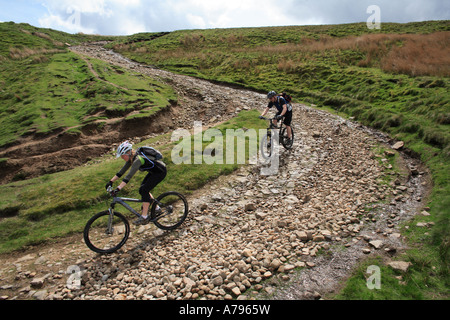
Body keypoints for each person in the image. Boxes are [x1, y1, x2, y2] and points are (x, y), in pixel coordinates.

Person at [106, 141, 167, 225]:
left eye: (122, 156)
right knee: (142, 189)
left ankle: (144, 217)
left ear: (128, 153)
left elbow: (128, 176)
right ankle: (156, 208)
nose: (122, 158)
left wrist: (118, 188)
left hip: (160, 172)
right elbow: (121, 172)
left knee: (145, 190)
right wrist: (110, 181)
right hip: (154, 172)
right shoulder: (132, 158)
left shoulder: (138, 160)